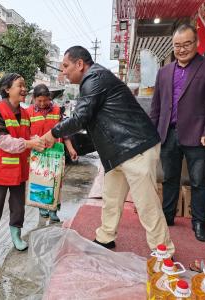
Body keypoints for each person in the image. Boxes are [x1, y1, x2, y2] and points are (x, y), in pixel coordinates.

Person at [42, 46, 175, 255]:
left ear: (80, 64)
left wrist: (52, 134)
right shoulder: (95, 78)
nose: (63, 72)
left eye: (66, 66)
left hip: (135, 147)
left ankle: (163, 251)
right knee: (111, 197)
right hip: (118, 150)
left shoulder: (94, 78)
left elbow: (80, 118)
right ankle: (106, 237)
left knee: (146, 203)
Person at [150, 24, 205, 242]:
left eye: (186, 44)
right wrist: (152, 134)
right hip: (168, 134)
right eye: (177, 45)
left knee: (199, 181)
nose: (181, 49)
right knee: (170, 178)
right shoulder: (164, 72)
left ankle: (199, 222)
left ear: (196, 43)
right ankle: (168, 215)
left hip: (198, 135)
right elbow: (156, 106)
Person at [0, 73, 45, 255]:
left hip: (19, 170)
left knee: (18, 205)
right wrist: (28, 143)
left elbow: (26, 136)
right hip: (0, 170)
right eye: (20, 85)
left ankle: (16, 235)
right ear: (7, 89)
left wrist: (39, 141)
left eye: (25, 85)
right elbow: (2, 140)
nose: (24, 89)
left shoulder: (25, 113)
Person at [27, 84, 78, 222]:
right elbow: (25, 133)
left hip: (55, 152)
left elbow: (64, 132)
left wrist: (71, 149)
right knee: (41, 179)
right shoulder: (29, 112)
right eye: (39, 101)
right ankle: (42, 206)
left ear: (49, 98)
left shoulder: (56, 110)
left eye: (45, 100)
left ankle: (54, 208)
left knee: (56, 181)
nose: (43, 104)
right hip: (38, 152)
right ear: (33, 99)